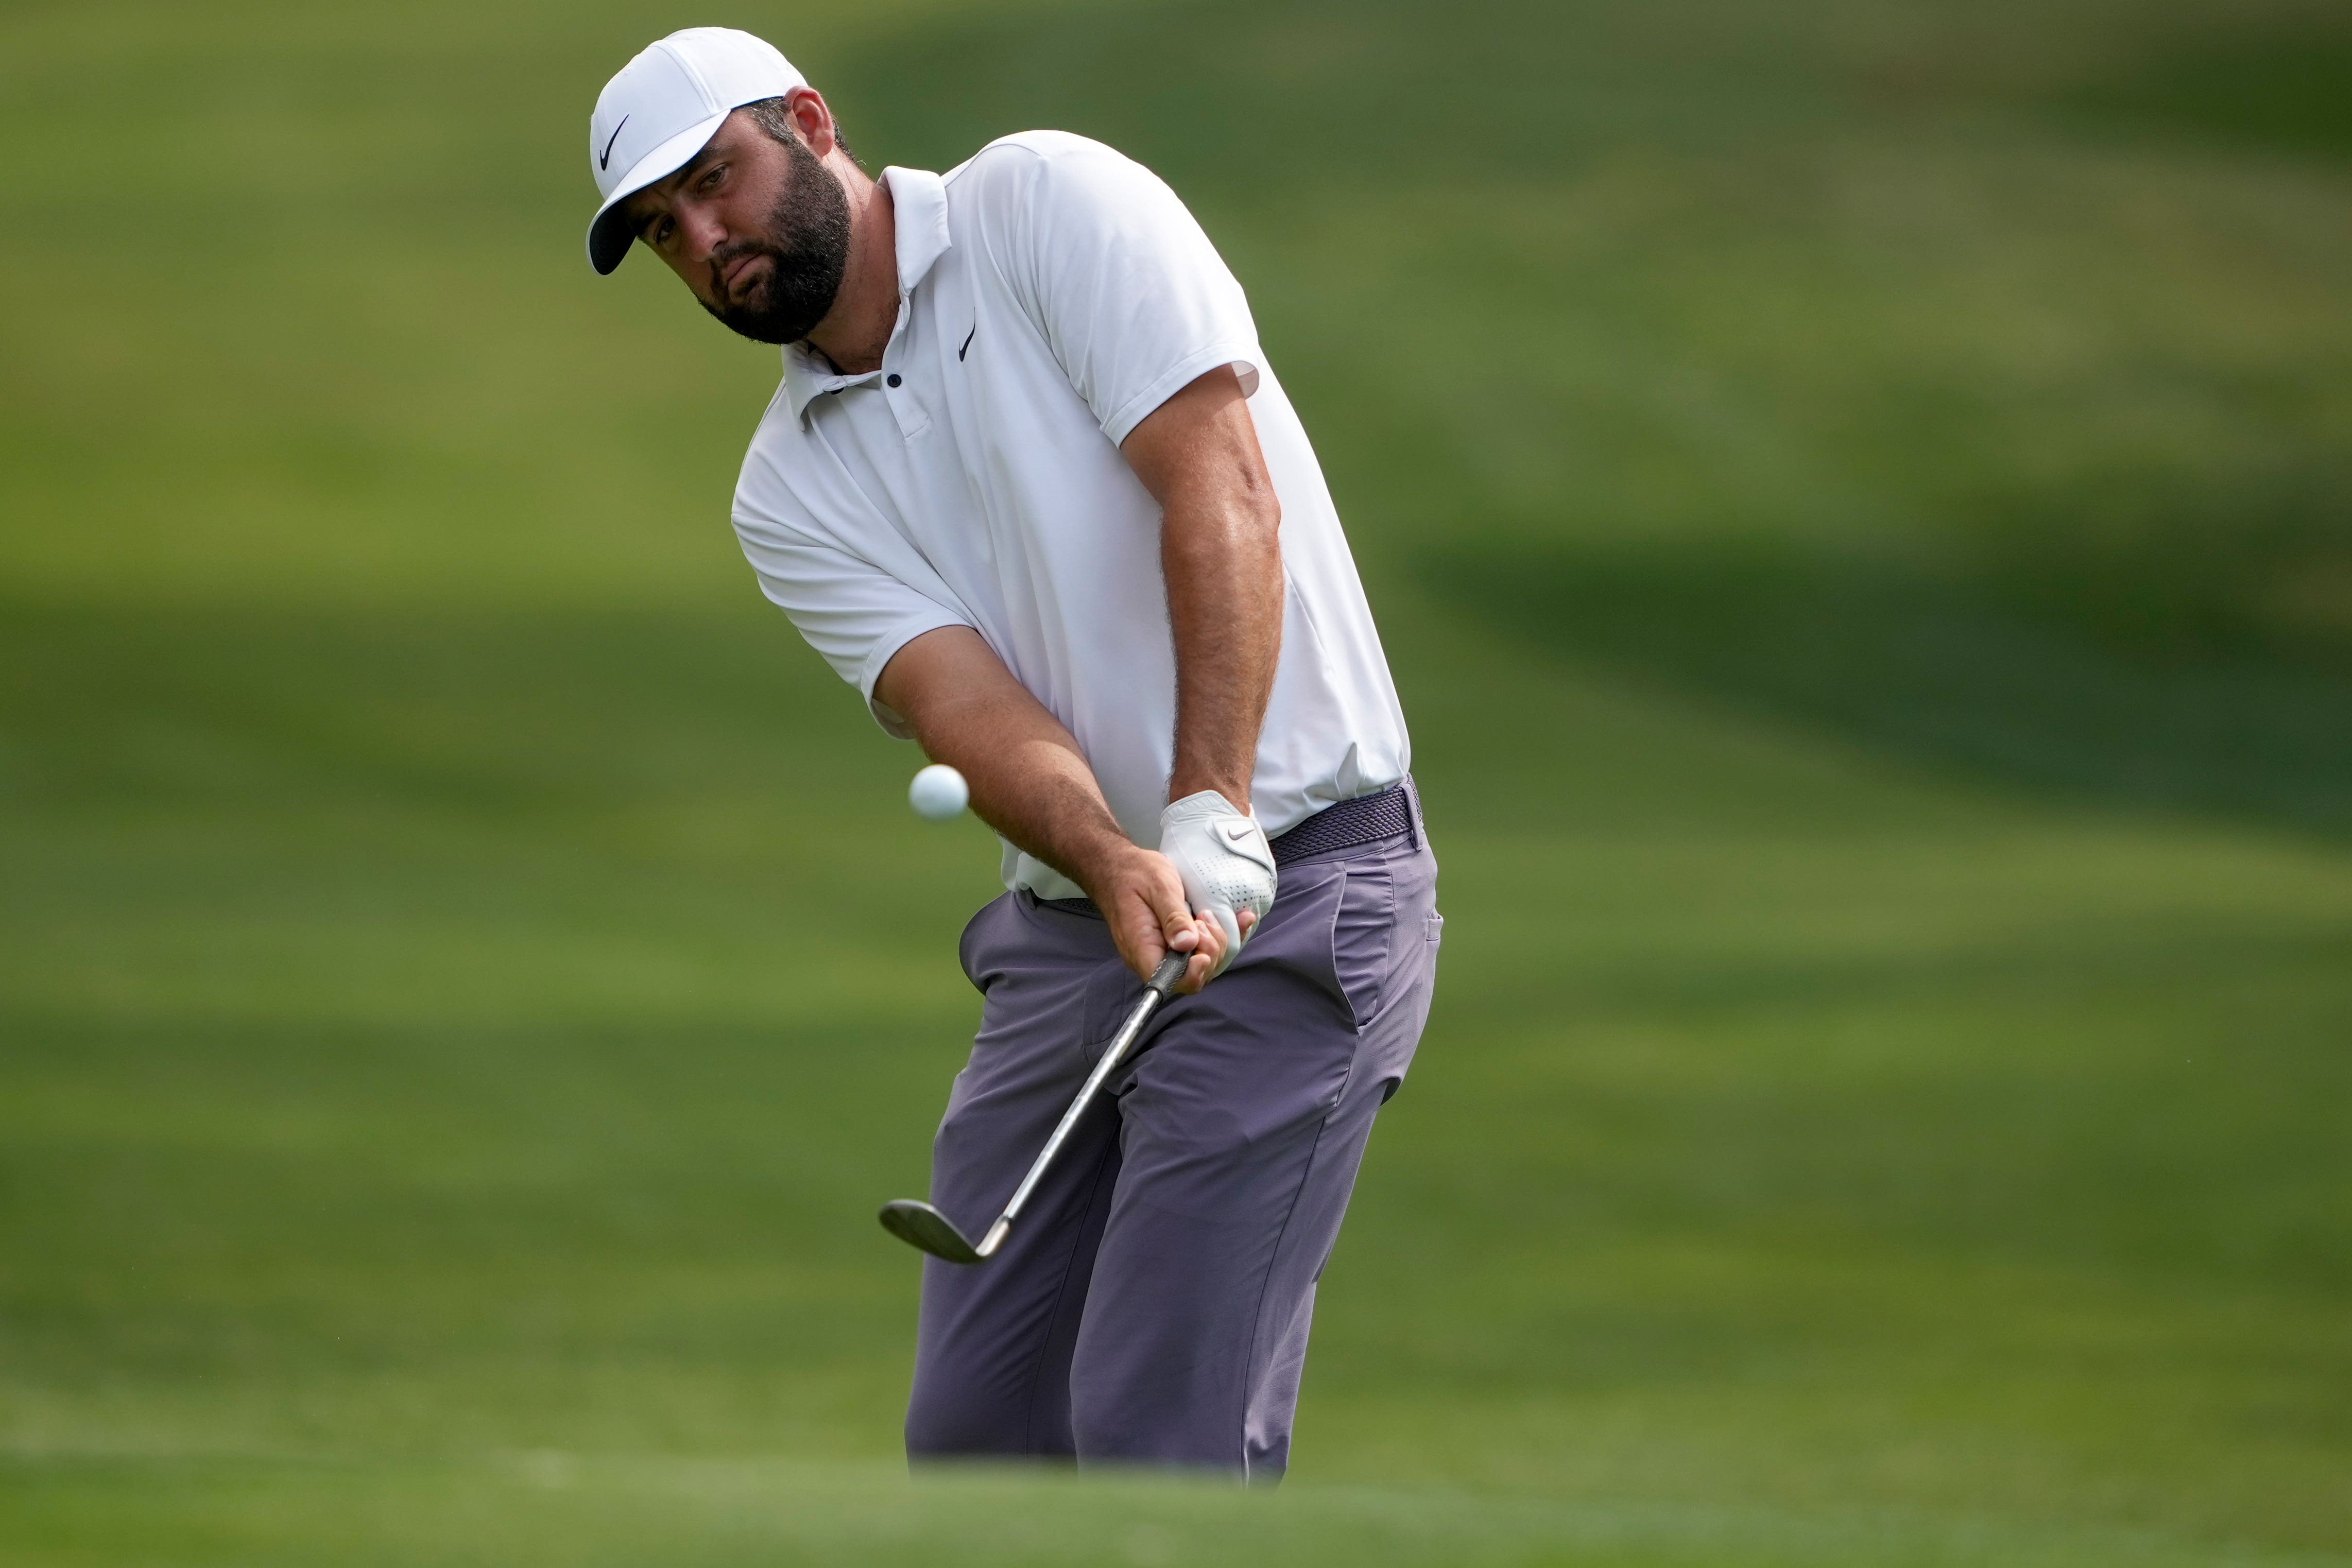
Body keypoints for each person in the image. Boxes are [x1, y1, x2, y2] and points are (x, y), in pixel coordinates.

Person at [583, 27, 1440, 1479]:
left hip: (1296, 894)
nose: (710, 240)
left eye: (715, 181)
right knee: (978, 1441)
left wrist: (1210, 806)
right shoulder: (788, 488)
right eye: (667, 232)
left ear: (808, 119)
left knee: (1157, 1430)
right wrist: (1111, 854)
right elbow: (969, 715)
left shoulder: (1045, 205)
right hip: (1072, 932)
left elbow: (1221, 494)